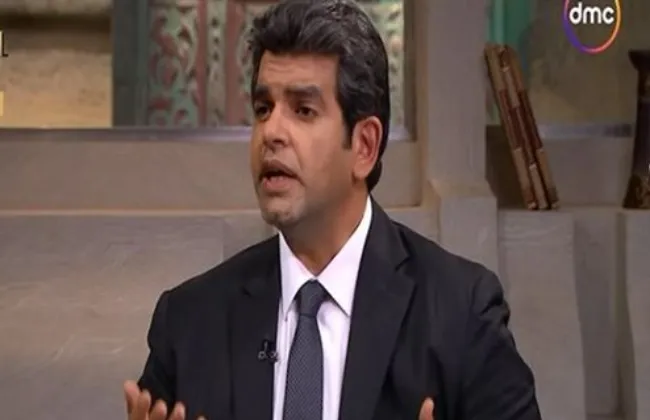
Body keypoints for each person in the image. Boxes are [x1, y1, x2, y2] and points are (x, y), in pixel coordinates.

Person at [123, 0, 542, 419]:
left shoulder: (460, 313)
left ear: (364, 147)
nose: (271, 132)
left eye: (303, 110)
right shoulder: (189, 322)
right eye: (263, 109)